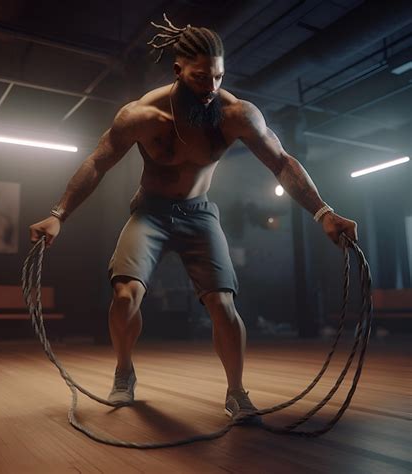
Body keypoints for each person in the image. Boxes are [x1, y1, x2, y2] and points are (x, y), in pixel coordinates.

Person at [29, 15, 358, 424]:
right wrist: (57, 215)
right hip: (150, 211)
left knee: (222, 304)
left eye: (218, 77)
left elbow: (281, 161)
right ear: (178, 70)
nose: (211, 88)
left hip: (199, 214)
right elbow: (98, 163)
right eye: (202, 77)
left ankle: (237, 392)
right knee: (125, 295)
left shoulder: (236, 114)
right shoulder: (141, 115)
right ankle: (124, 371)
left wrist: (323, 212)